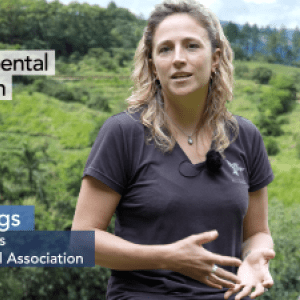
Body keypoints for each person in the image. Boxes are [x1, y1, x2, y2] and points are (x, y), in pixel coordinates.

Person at [71, 0, 276, 299]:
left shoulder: (245, 136)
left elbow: (257, 232)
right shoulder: (123, 133)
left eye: (192, 46)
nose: (178, 58)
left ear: (215, 58)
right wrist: (167, 256)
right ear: (154, 65)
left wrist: (256, 257)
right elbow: (82, 242)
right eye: (165, 49)